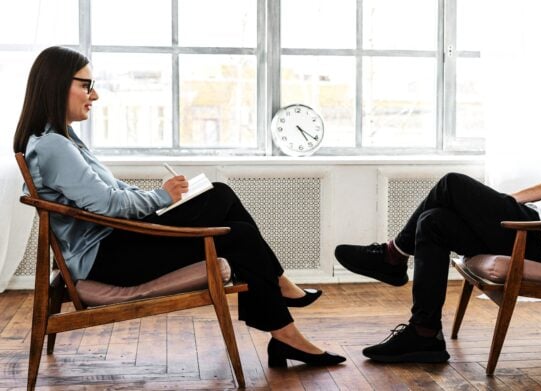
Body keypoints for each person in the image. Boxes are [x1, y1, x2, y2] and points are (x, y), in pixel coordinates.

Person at [13, 46, 345, 368]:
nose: (94, 95)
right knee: (226, 209)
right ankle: (281, 300)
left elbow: (109, 192)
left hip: (113, 246)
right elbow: (108, 204)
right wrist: (162, 197)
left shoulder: (62, 139)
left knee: (228, 209)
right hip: (107, 258)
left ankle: (284, 328)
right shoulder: (55, 145)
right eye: (86, 85)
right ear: (58, 84)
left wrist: (165, 197)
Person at [335, 75, 541, 363]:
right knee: (433, 220)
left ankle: (392, 257)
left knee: (452, 183)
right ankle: (424, 332)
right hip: (534, 225)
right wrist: (503, 202)